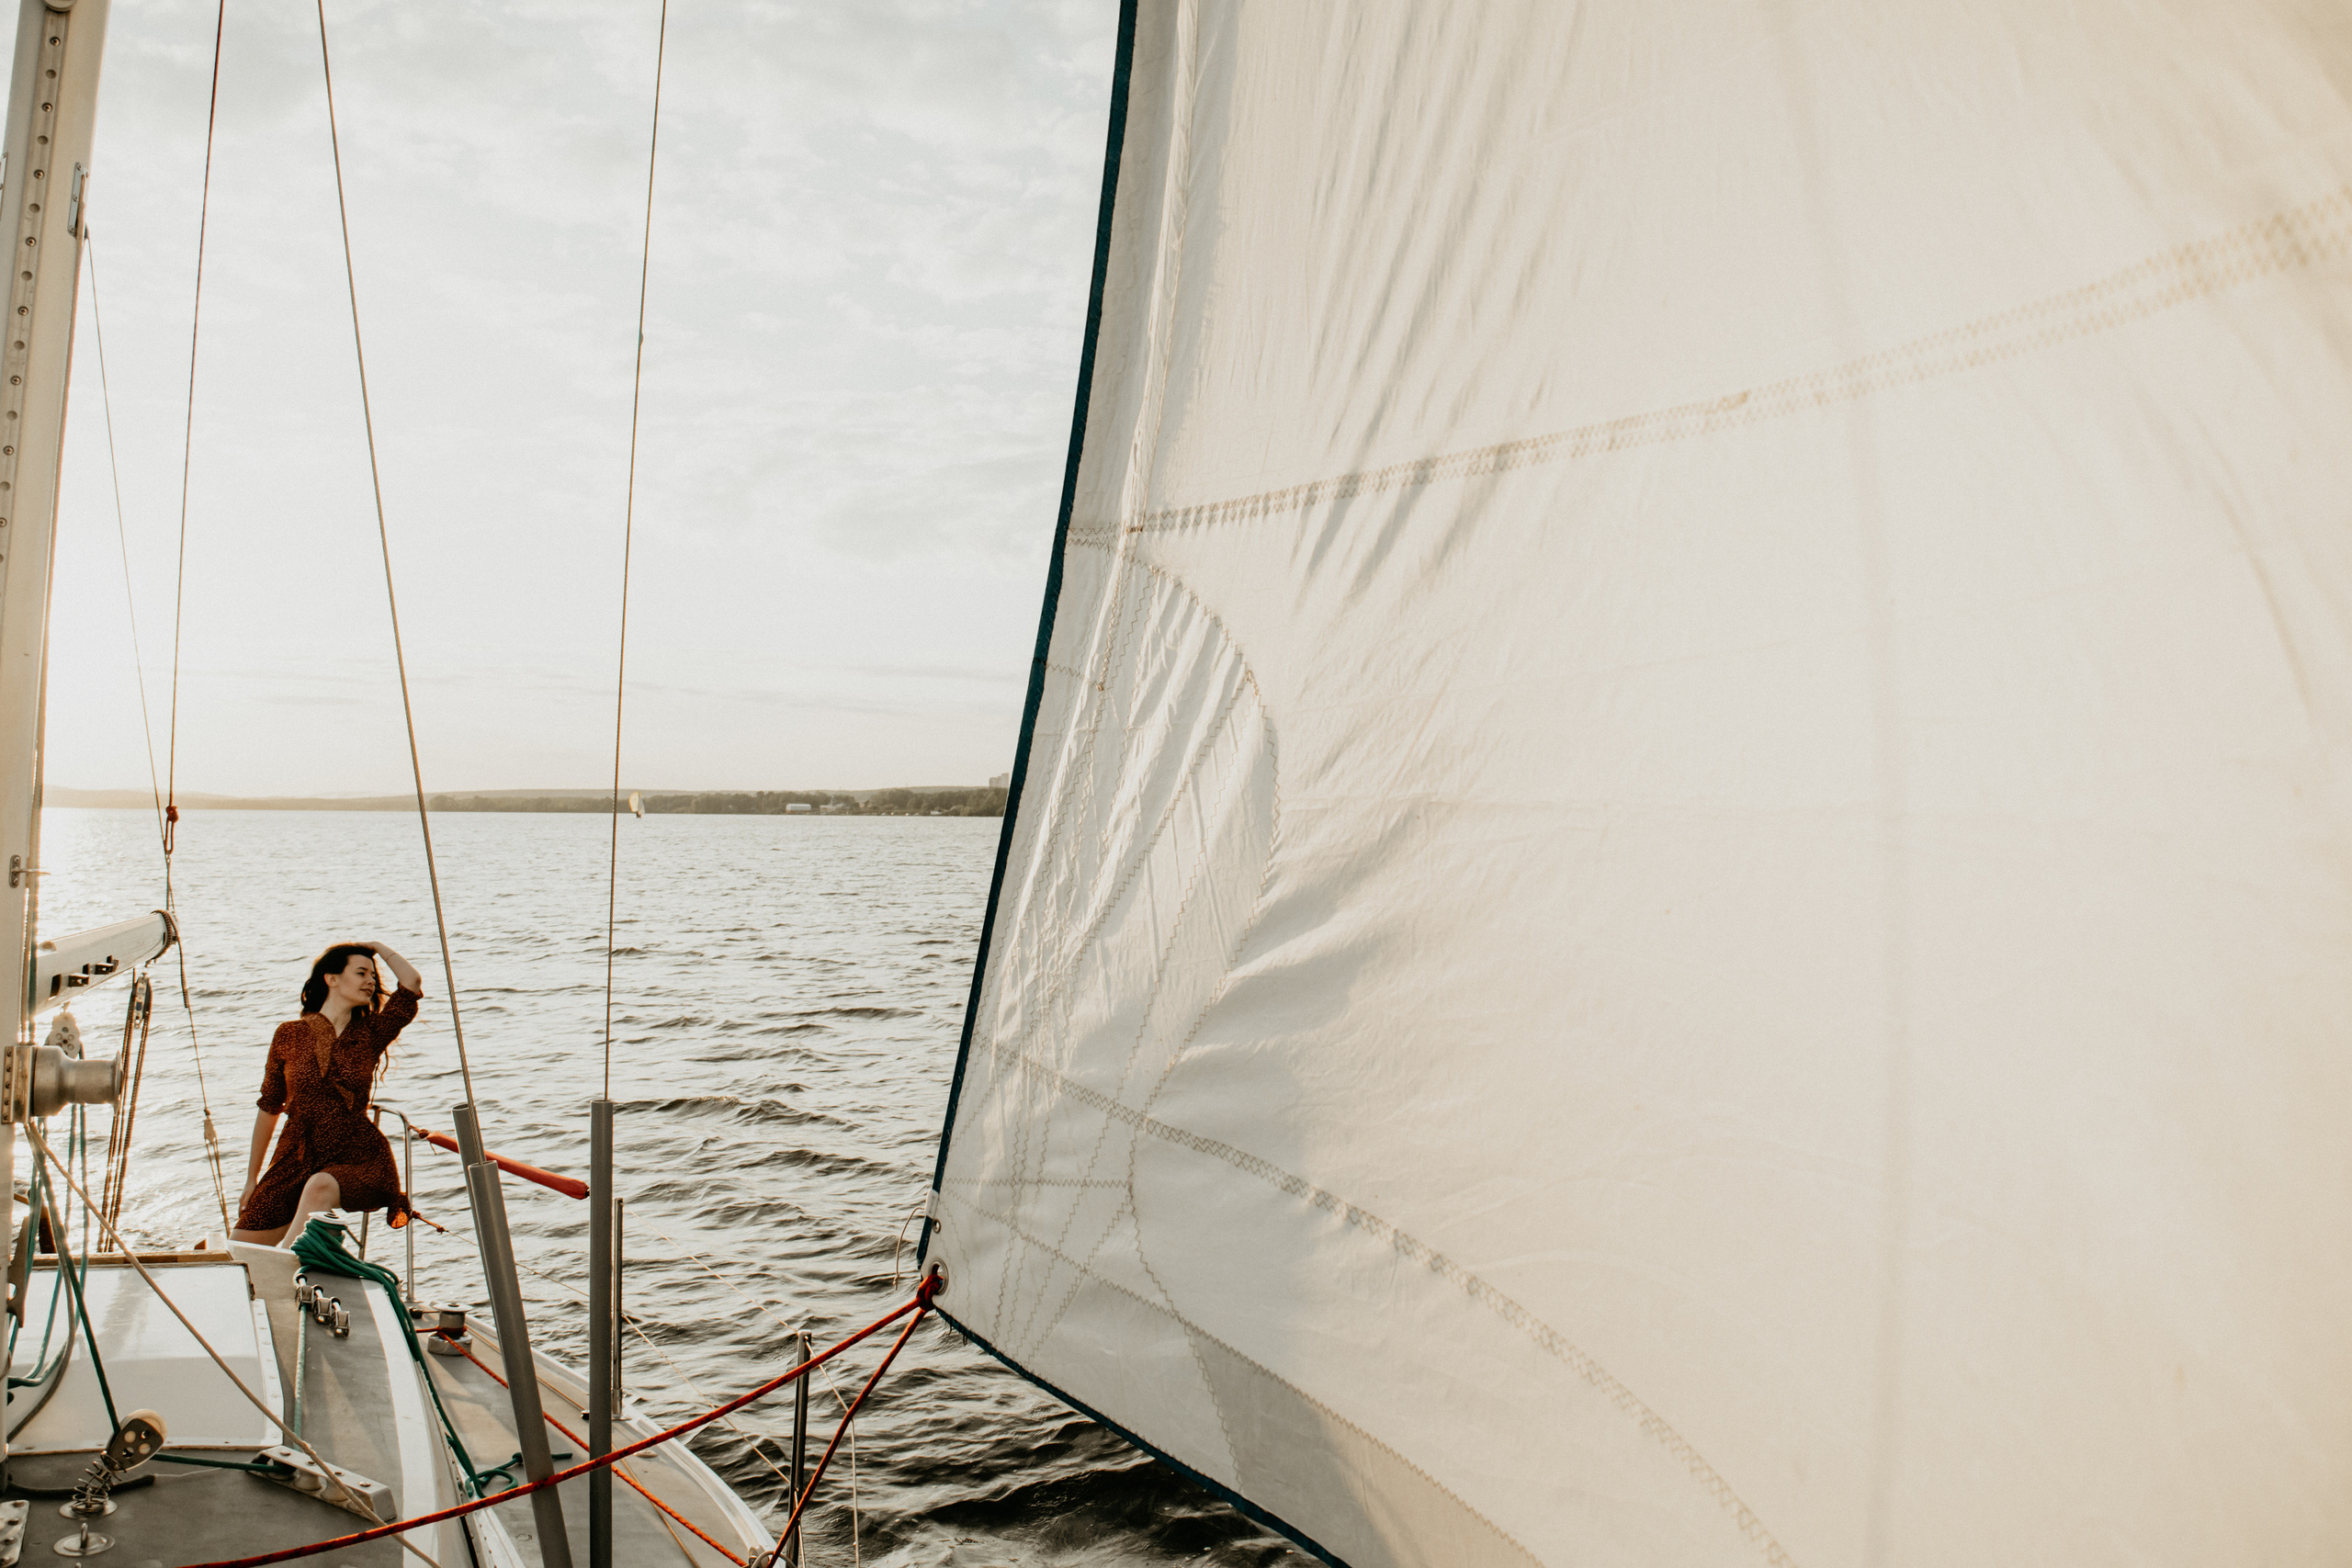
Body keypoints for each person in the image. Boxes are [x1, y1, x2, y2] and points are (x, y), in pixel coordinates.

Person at [229, 940, 424, 1246]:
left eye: (373, 975)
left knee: (320, 1185)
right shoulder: (288, 1034)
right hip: (296, 1155)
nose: (371, 981)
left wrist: (375, 947)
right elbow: (269, 1107)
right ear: (331, 979)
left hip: (357, 1155)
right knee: (239, 1248)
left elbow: (410, 983)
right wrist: (251, 1179)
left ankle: (288, 1266)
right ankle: (289, 1269)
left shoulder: (372, 1032)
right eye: (361, 973)